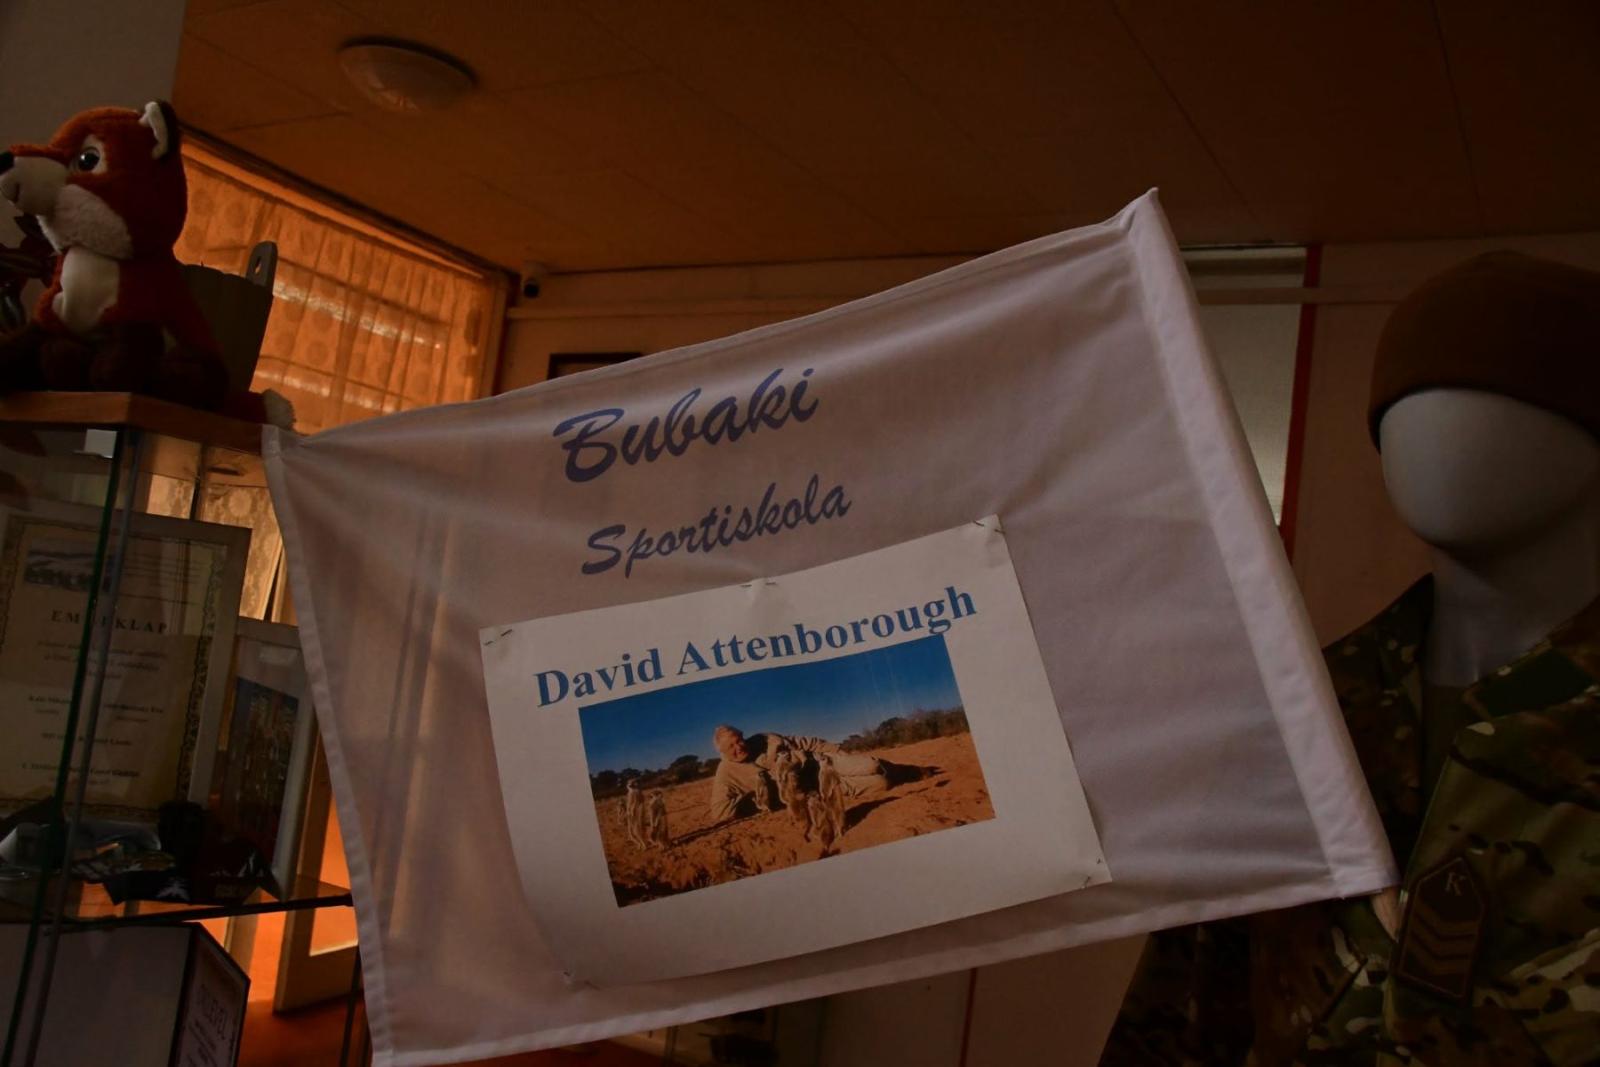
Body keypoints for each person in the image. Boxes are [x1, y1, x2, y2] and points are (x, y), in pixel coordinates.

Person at [1103, 251, 1600, 1066]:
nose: (1437, 430)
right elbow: (1184, 1003)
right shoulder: (1306, 715)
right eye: (1408, 401)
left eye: (1505, 399)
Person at [705, 724, 889, 823]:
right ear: (722, 752)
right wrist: (758, 800)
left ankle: (898, 768)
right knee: (881, 783)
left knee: (872, 765)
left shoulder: (765, 739)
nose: (739, 747)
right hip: (818, 788)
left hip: (821, 763)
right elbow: (720, 812)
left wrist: (838, 751)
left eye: (739, 740)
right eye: (731, 746)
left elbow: (806, 742)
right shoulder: (725, 772)